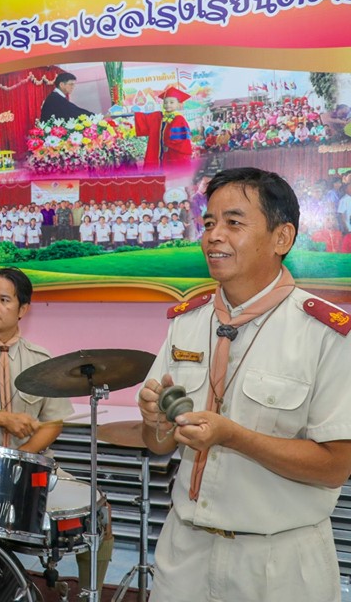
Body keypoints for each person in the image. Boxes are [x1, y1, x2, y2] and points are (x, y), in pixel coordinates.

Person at [137, 167, 351, 602]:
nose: (214, 236)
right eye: (209, 223)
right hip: (185, 551)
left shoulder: (325, 333)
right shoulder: (187, 322)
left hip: (278, 563)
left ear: (281, 237)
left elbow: (335, 466)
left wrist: (234, 437)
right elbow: (158, 444)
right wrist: (154, 420)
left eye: (233, 223)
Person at [0, 267, 114, 593]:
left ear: (23, 309)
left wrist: (22, 458)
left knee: (98, 514)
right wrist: (3, 419)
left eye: (4, 300)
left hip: (32, 471)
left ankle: (90, 594)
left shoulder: (41, 360)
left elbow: (53, 422)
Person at [133, 86, 193, 170]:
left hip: (172, 153)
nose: (168, 104)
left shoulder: (179, 119)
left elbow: (181, 138)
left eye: (171, 102)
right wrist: (134, 115)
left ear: (179, 104)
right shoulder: (159, 116)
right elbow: (145, 119)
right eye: (165, 102)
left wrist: (168, 145)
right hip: (160, 152)